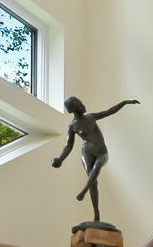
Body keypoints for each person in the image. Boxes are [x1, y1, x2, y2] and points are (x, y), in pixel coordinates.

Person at [51, 95, 139, 224]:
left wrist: (124, 102)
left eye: (82, 103)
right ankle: (96, 215)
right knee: (93, 181)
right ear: (73, 109)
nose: (83, 106)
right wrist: (60, 159)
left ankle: (83, 191)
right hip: (87, 152)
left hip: (102, 153)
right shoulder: (72, 127)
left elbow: (109, 111)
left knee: (97, 166)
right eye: (80, 105)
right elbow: (69, 145)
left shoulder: (91, 117)